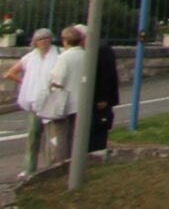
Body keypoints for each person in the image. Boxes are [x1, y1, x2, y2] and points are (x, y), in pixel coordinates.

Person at [6, 29, 55, 179]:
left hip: (52, 101)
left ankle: (51, 167)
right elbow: (10, 73)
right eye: (40, 39)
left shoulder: (58, 54)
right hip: (34, 101)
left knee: (52, 138)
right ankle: (29, 168)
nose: (43, 41)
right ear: (35, 42)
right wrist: (25, 83)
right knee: (33, 136)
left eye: (46, 38)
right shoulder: (30, 57)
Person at [33, 27, 77, 174]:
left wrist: (50, 88)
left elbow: (57, 81)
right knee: (71, 137)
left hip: (60, 104)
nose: (44, 41)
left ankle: (58, 167)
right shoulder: (84, 55)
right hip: (78, 104)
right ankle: (69, 165)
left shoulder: (63, 56)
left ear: (65, 41)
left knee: (58, 138)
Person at [84, 24, 118, 153]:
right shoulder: (95, 48)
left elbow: (107, 76)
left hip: (100, 100)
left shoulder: (102, 49)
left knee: (99, 127)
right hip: (95, 98)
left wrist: (103, 98)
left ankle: (97, 153)